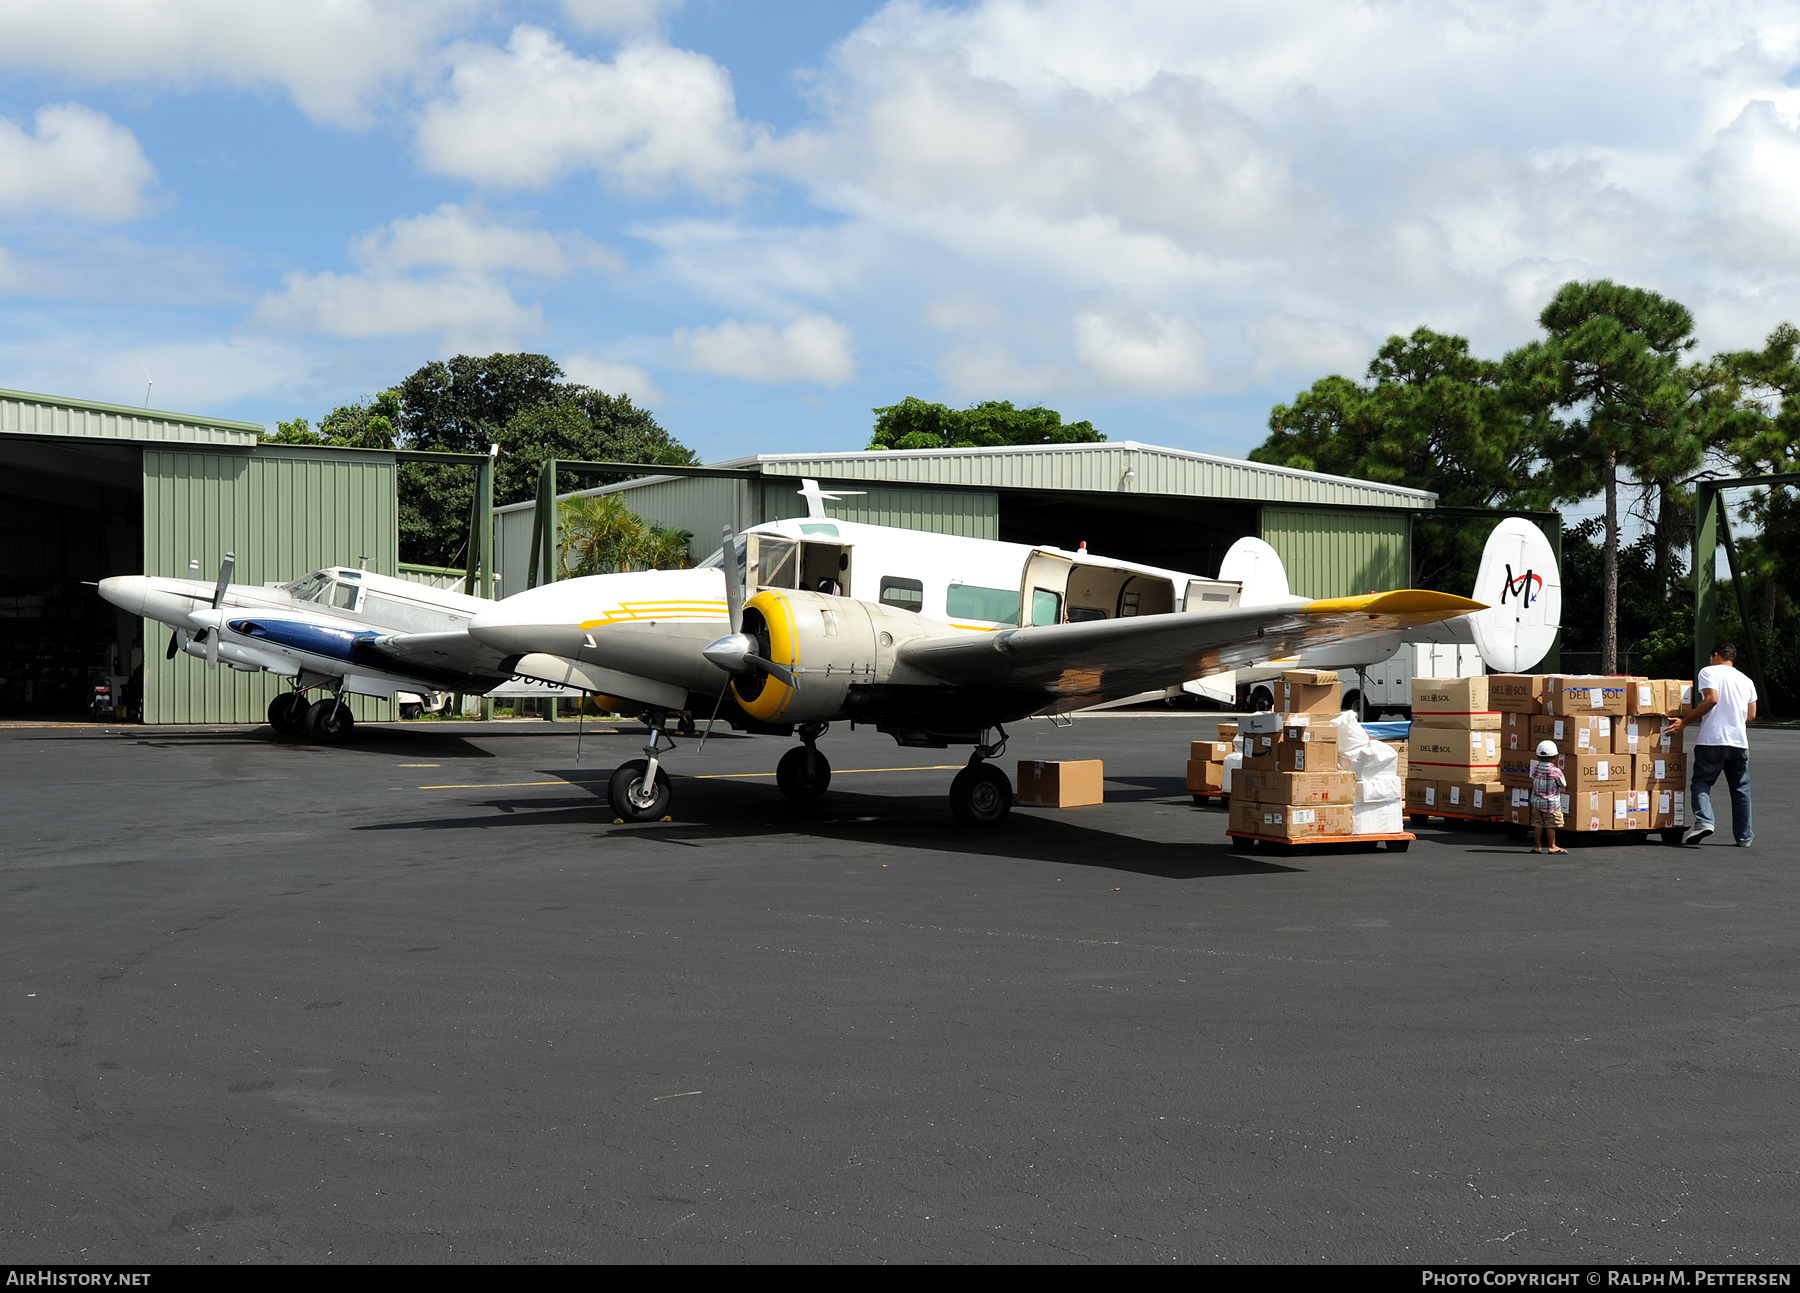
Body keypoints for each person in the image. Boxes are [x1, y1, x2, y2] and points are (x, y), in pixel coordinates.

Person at [1670, 641, 1757, 846]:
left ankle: (1704, 821)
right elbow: (1751, 715)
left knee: (1702, 782)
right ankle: (1744, 836)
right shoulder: (1747, 680)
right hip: (1738, 742)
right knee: (1740, 789)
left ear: (1716, 655)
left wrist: (1685, 721)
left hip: (1712, 740)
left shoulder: (1708, 672)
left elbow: (1711, 699)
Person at [1529, 739, 1567, 854]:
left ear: (1537, 756)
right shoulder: (1556, 771)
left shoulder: (1535, 768)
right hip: (1551, 804)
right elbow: (1563, 784)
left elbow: (1533, 779)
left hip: (1537, 802)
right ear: (1555, 756)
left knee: (1537, 825)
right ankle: (1552, 846)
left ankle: (1537, 846)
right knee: (1551, 826)